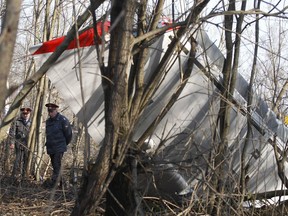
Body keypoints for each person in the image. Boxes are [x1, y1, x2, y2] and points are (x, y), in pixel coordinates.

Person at [44, 103, 72, 187]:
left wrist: (63, 144)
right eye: (49, 111)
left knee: (56, 164)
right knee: (56, 166)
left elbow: (69, 134)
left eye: (51, 111)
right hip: (51, 147)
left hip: (59, 147)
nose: (50, 113)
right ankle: (63, 183)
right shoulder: (48, 121)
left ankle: (55, 183)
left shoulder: (63, 120)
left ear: (56, 110)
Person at [9, 107, 32, 178]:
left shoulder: (32, 123)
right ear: (21, 114)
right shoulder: (16, 121)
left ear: (29, 114)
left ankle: (23, 177)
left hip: (28, 144)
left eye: (27, 114)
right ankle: (13, 176)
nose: (25, 115)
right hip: (18, 143)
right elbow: (12, 133)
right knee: (17, 160)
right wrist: (12, 143)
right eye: (24, 113)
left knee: (26, 160)